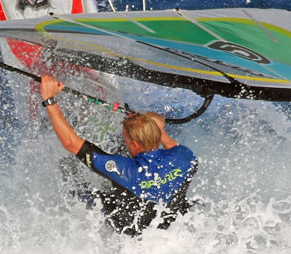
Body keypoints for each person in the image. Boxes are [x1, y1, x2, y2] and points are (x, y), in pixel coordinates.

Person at [40, 74, 197, 235]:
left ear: (135, 144)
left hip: (131, 236)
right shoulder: (184, 156)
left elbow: (71, 144)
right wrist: (154, 126)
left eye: (126, 138)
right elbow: (170, 145)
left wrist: (49, 99)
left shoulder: (126, 170)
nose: (125, 140)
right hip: (167, 230)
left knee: (69, 171)